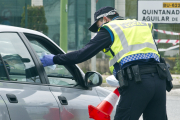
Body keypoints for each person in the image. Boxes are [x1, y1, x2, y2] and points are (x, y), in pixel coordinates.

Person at [40, 6, 170, 120]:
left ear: (105, 19)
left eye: (98, 25)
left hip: (137, 83)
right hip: (159, 80)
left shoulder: (110, 28)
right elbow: (153, 55)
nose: (99, 30)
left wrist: (54, 59)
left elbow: (82, 54)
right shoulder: (141, 25)